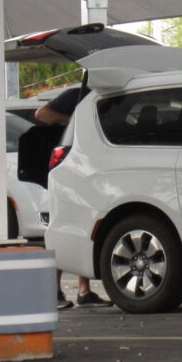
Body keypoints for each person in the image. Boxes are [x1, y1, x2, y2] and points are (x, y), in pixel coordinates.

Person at [35, 86, 111, 310]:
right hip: (68, 166)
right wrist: (72, 120)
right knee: (63, 226)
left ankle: (83, 291)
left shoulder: (106, 97)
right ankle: (53, 291)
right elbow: (41, 114)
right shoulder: (77, 95)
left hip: (88, 169)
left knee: (82, 227)